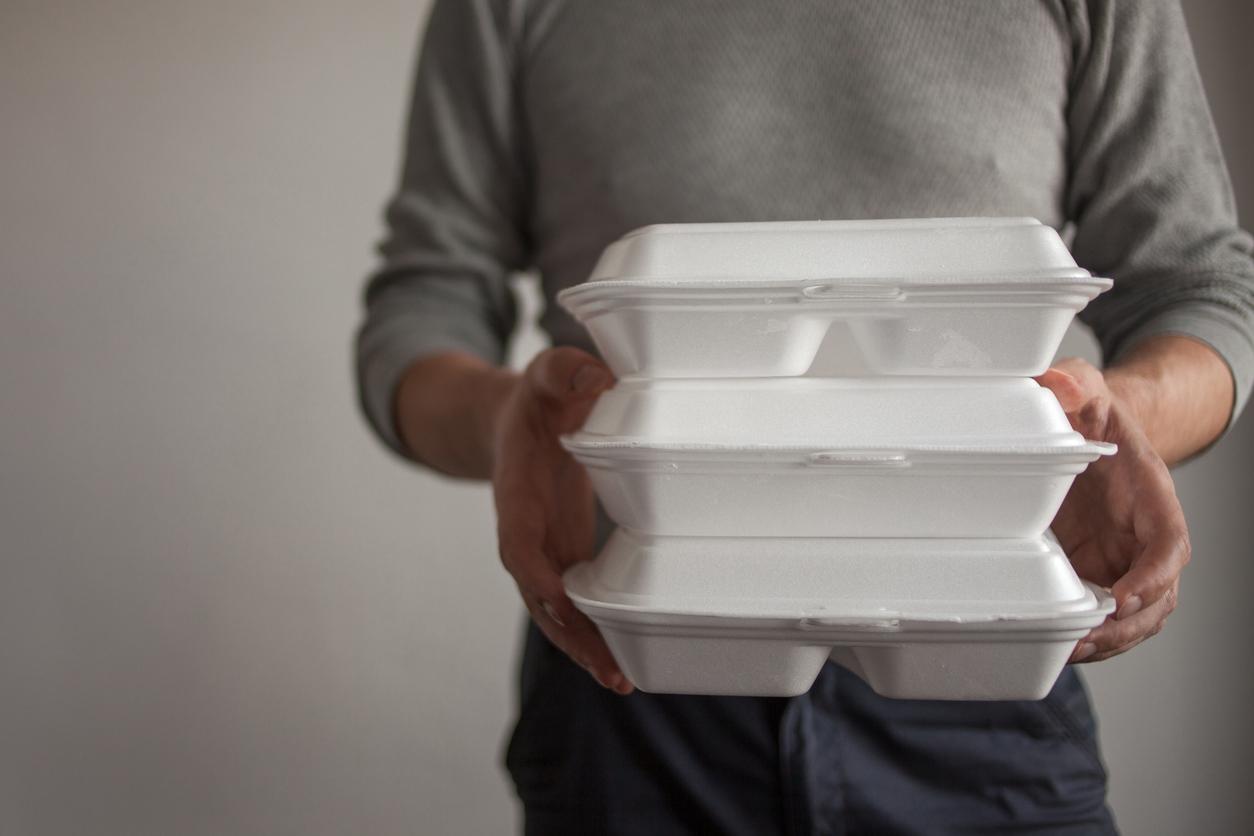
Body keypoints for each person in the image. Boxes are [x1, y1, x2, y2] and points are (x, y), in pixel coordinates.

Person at [355, 2, 1254, 833]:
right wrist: (513, 417)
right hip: (633, 670)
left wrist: (1104, 424)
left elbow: (1202, 290)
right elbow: (421, 310)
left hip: (986, 664)